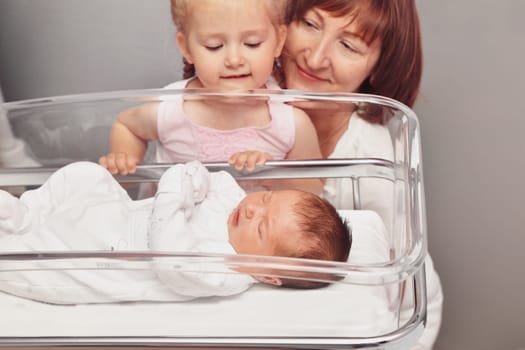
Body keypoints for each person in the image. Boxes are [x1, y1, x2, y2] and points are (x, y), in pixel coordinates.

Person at [275, 1, 443, 349]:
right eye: (309, 24)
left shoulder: (375, 160)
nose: (317, 57)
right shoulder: (235, 113)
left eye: (348, 45)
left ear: (378, 68)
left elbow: (406, 295)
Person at [0, 161, 351, 305]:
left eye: (261, 228)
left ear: (266, 273)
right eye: (267, 198)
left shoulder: (225, 270)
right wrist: (190, 181)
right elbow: (201, 172)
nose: (252, 209)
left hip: (98, 258)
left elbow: (170, 259)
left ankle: (15, 241)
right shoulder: (233, 195)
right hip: (113, 211)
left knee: (26, 260)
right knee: (86, 174)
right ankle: (27, 214)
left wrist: (173, 194)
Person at [98, 0, 322, 195]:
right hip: (174, 237)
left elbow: (314, 187)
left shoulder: (291, 123)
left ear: (279, 41)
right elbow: (126, 125)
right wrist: (124, 157)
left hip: (250, 241)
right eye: (214, 46)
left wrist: (270, 173)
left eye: (252, 43)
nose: (234, 59)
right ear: (186, 48)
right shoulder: (170, 110)